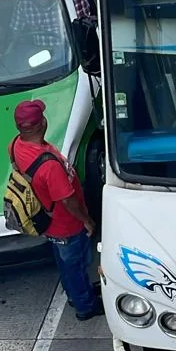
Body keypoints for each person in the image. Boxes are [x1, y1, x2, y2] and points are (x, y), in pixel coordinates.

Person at [10, 99, 104, 321]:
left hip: (48, 223)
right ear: (40, 124)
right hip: (67, 226)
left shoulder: (15, 144)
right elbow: (68, 201)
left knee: (65, 264)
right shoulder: (49, 167)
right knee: (76, 264)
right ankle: (85, 306)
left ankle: (75, 294)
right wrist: (87, 221)